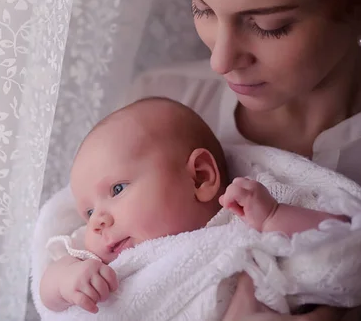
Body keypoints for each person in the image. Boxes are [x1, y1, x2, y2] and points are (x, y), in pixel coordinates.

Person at [35, 0, 361, 320]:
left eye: (269, 25)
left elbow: (345, 250)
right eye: (202, 8)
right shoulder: (153, 111)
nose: (220, 61)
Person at [39, 97, 350, 316]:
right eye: (89, 212)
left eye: (117, 189)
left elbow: (341, 243)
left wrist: (274, 216)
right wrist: (66, 282)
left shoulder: (245, 216)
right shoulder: (94, 263)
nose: (97, 222)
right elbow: (49, 290)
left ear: (199, 178)